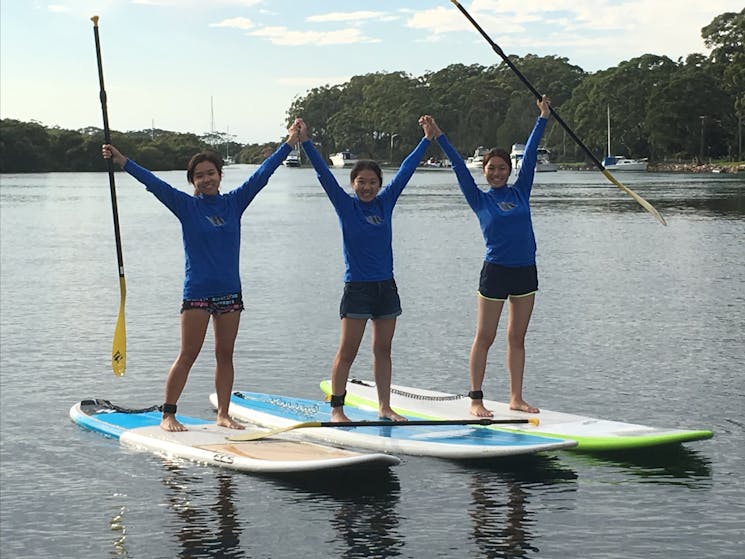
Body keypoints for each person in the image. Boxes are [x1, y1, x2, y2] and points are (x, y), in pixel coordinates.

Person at [102, 120, 301, 431]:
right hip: (196, 293)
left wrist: (289, 144)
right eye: (200, 176)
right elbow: (154, 183)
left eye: (211, 173)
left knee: (225, 354)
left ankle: (224, 414)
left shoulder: (235, 201)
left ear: (220, 175)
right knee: (188, 354)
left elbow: (263, 174)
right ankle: (168, 414)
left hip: (229, 294)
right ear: (192, 181)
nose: (206, 179)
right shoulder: (185, 205)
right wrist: (122, 161)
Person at [296, 116, 436, 422]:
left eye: (373, 182)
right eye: (362, 182)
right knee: (347, 351)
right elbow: (323, 174)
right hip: (357, 288)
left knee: (383, 350)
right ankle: (337, 409)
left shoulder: (385, 203)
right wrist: (306, 142)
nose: (368, 187)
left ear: (379, 185)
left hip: (386, 287)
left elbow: (406, 172)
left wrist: (427, 140)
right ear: (353, 183)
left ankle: (385, 407)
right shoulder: (346, 206)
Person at [428, 96, 551, 417]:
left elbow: (531, 156)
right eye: (491, 169)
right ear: (484, 172)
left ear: (510, 171)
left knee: (517, 338)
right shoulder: (479, 199)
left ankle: (516, 398)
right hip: (495, 272)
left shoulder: (521, 190)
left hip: (526, 271)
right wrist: (439, 135)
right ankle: (476, 400)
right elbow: (457, 164)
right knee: (485, 336)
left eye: (502, 168)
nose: (496, 173)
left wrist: (543, 118)